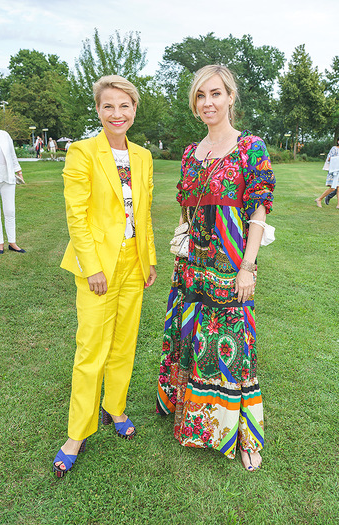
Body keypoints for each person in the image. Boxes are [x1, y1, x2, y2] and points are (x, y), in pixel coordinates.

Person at [156, 65, 276, 472]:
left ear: (230, 98)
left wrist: (248, 266)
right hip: (192, 263)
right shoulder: (192, 152)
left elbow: (258, 210)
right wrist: (181, 240)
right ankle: (195, 418)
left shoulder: (250, 147)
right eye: (201, 96)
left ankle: (245, 435)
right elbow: (188, 209)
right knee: (193, 336)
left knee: (235, 346)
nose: (208, 102)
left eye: (216, 94)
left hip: (230, 263)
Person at [53, 75, 157, 477]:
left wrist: (147, 259)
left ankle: (115, 407)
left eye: (124, 106)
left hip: (134, 262)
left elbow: (143, 213)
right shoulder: (82, 152)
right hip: (97, 265)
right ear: (98, 110)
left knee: (124, 343)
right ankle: (76, 433)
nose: (117, 113)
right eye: (108, 106)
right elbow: (76, 216)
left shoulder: (144, 156)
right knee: (91, 348)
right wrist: (92, 266)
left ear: (134, 110)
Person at [0, 105, 26, 254]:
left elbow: (12, 155)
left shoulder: (4, 135)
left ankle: (12, 242)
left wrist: (18, 170)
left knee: (10, 211)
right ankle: (0, 243)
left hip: (8, 178)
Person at [315, 138, 339, 208]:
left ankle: (338, 205)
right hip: (334, 171)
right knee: (333, 188)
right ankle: (319, 199)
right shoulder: (334, 148)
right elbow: (329, 158)